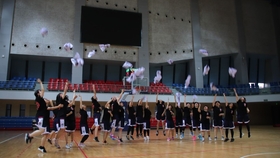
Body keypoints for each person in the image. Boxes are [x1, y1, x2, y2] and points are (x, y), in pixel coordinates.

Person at [25, 79, 63, 153]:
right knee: (42, 130)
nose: (41, 92)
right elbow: (43, 90)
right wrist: (41, 83)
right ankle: (29, 135)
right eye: (40, 92)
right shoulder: (39, 99)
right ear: (38, 94)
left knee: (45, 134)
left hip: (44, 118)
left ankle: (41, 147)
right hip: (41, 117)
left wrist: (57, 106)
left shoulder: (43, 105)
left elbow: (50, 108)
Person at [54, 82, 69, 149]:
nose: (62, 94)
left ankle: (56, 140)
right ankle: (55, 140)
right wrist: (66, 85)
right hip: (61, 116)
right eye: (61, 94)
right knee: (62, 129)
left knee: (63, 129)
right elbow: (65, 91)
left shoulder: (64, 101)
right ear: (59, 96)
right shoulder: (60, 100)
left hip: (63, 116)